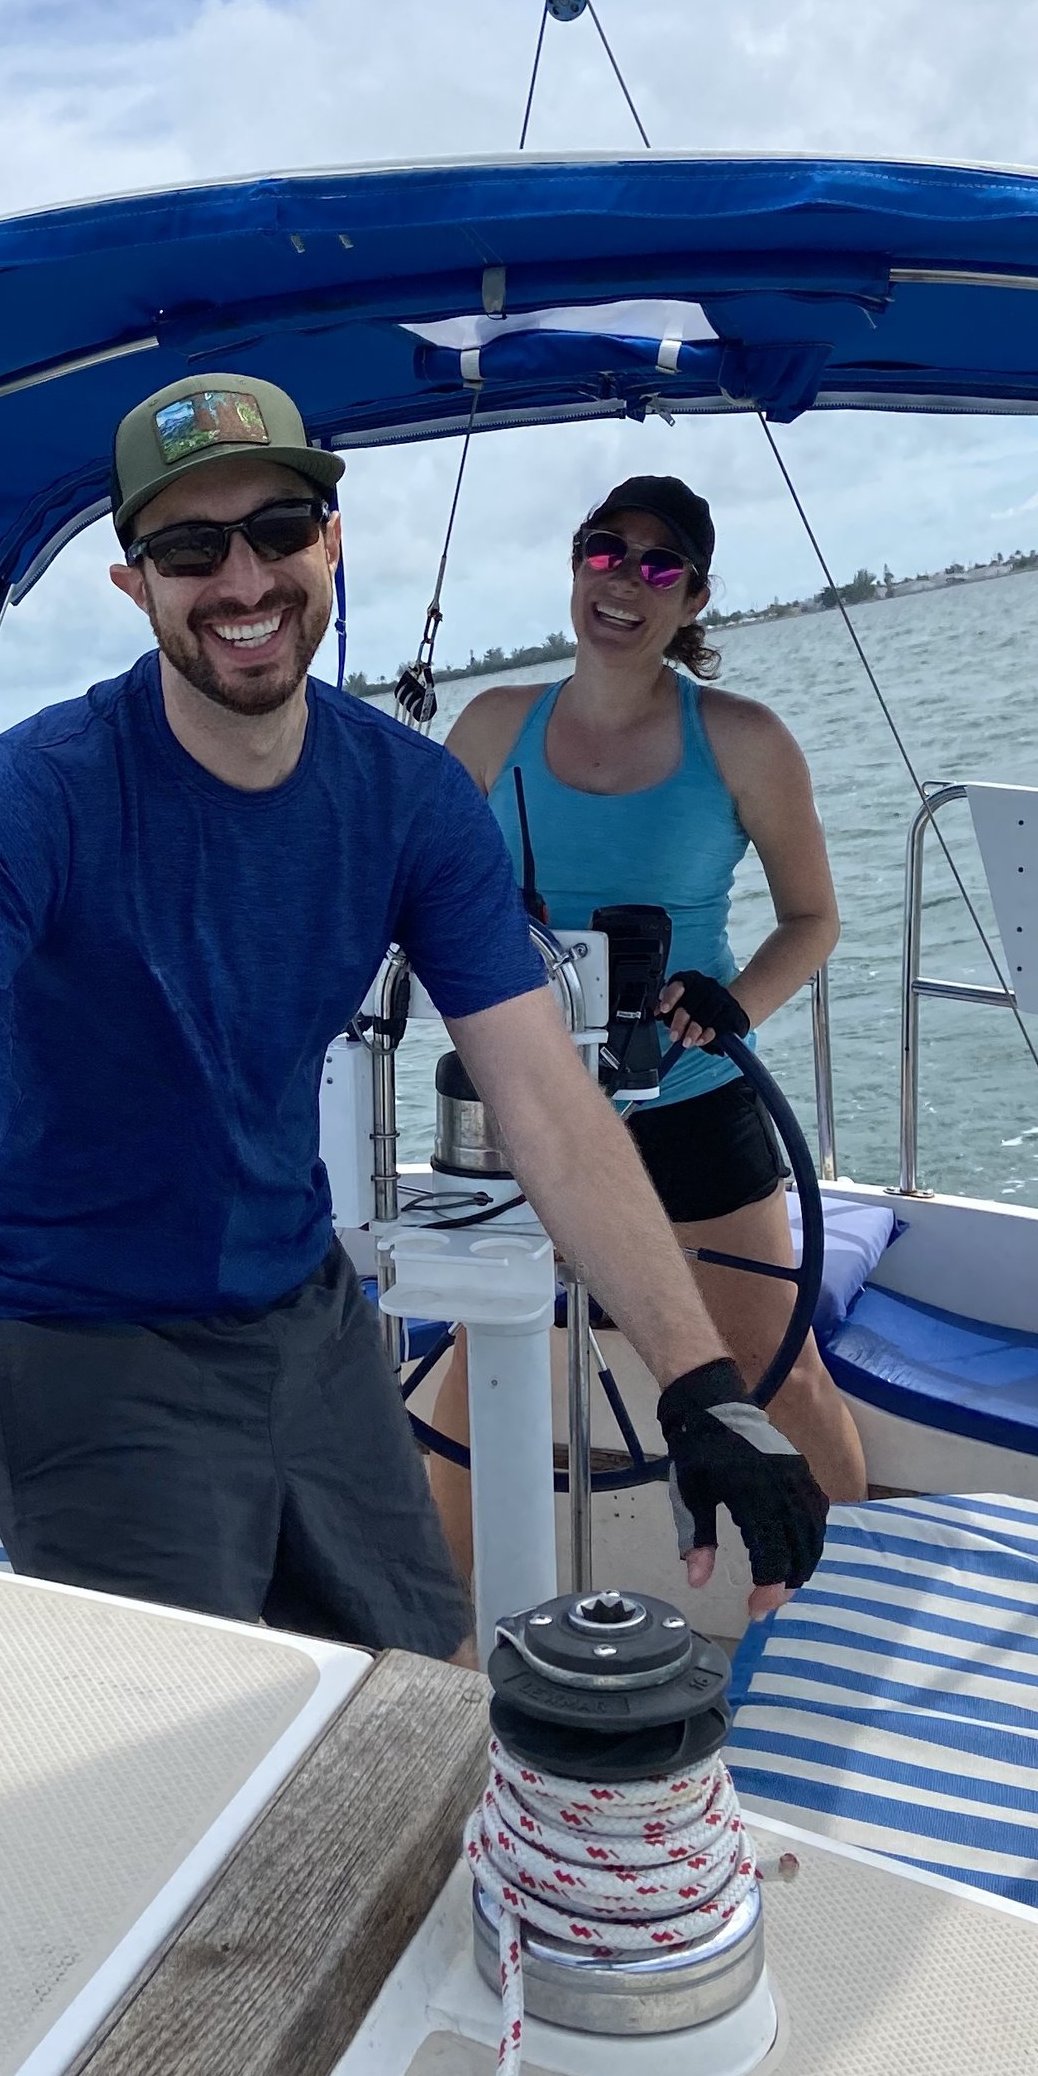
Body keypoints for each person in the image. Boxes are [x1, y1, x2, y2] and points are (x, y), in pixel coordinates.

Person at [0, 377, 828, 1648]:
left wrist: (700, 1388)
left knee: (424, 1686)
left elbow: (548, 1106)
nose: (243, 580)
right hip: (76, 1334)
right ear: (136, 585)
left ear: (331, 542)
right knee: (201, 1739)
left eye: (279, 529)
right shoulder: (31, 797)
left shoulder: (408, 799)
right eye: (191, 547)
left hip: (303, 1306)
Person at [426, 471, 866, 1552]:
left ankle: (850, 1588)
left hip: (691, 1100)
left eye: (659, 564)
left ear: (694, 600)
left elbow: (810, 918)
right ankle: (434, 1646)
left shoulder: (745, 739)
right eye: (604, 550)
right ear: (575, 564)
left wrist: (732, 1004)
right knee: (475, 1379)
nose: (625, 579)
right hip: (521, 1108)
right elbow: (413, 893)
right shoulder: (488, 728)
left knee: (780, 1376)